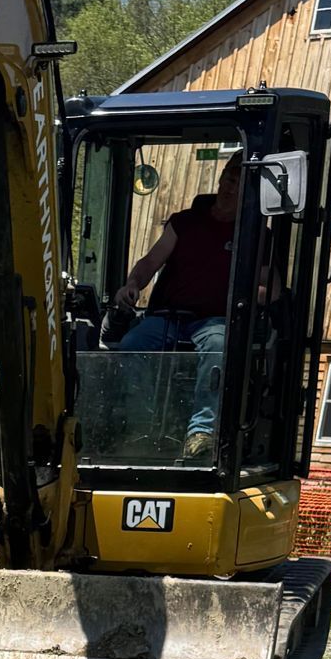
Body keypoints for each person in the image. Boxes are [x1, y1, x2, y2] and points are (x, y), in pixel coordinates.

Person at [111, 153, 241, 463]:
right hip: (168, 317)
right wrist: (132, 284)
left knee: (219, 346)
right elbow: (150, 262)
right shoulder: (184, 222)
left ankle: (201, 433)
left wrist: (256, 296)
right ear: (221, 179)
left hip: (213, 321)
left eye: (240, 184)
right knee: (131, 345)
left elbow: (269, 286)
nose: (231, 189)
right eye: (230, 180)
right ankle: (139, 428)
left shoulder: (252, 233)